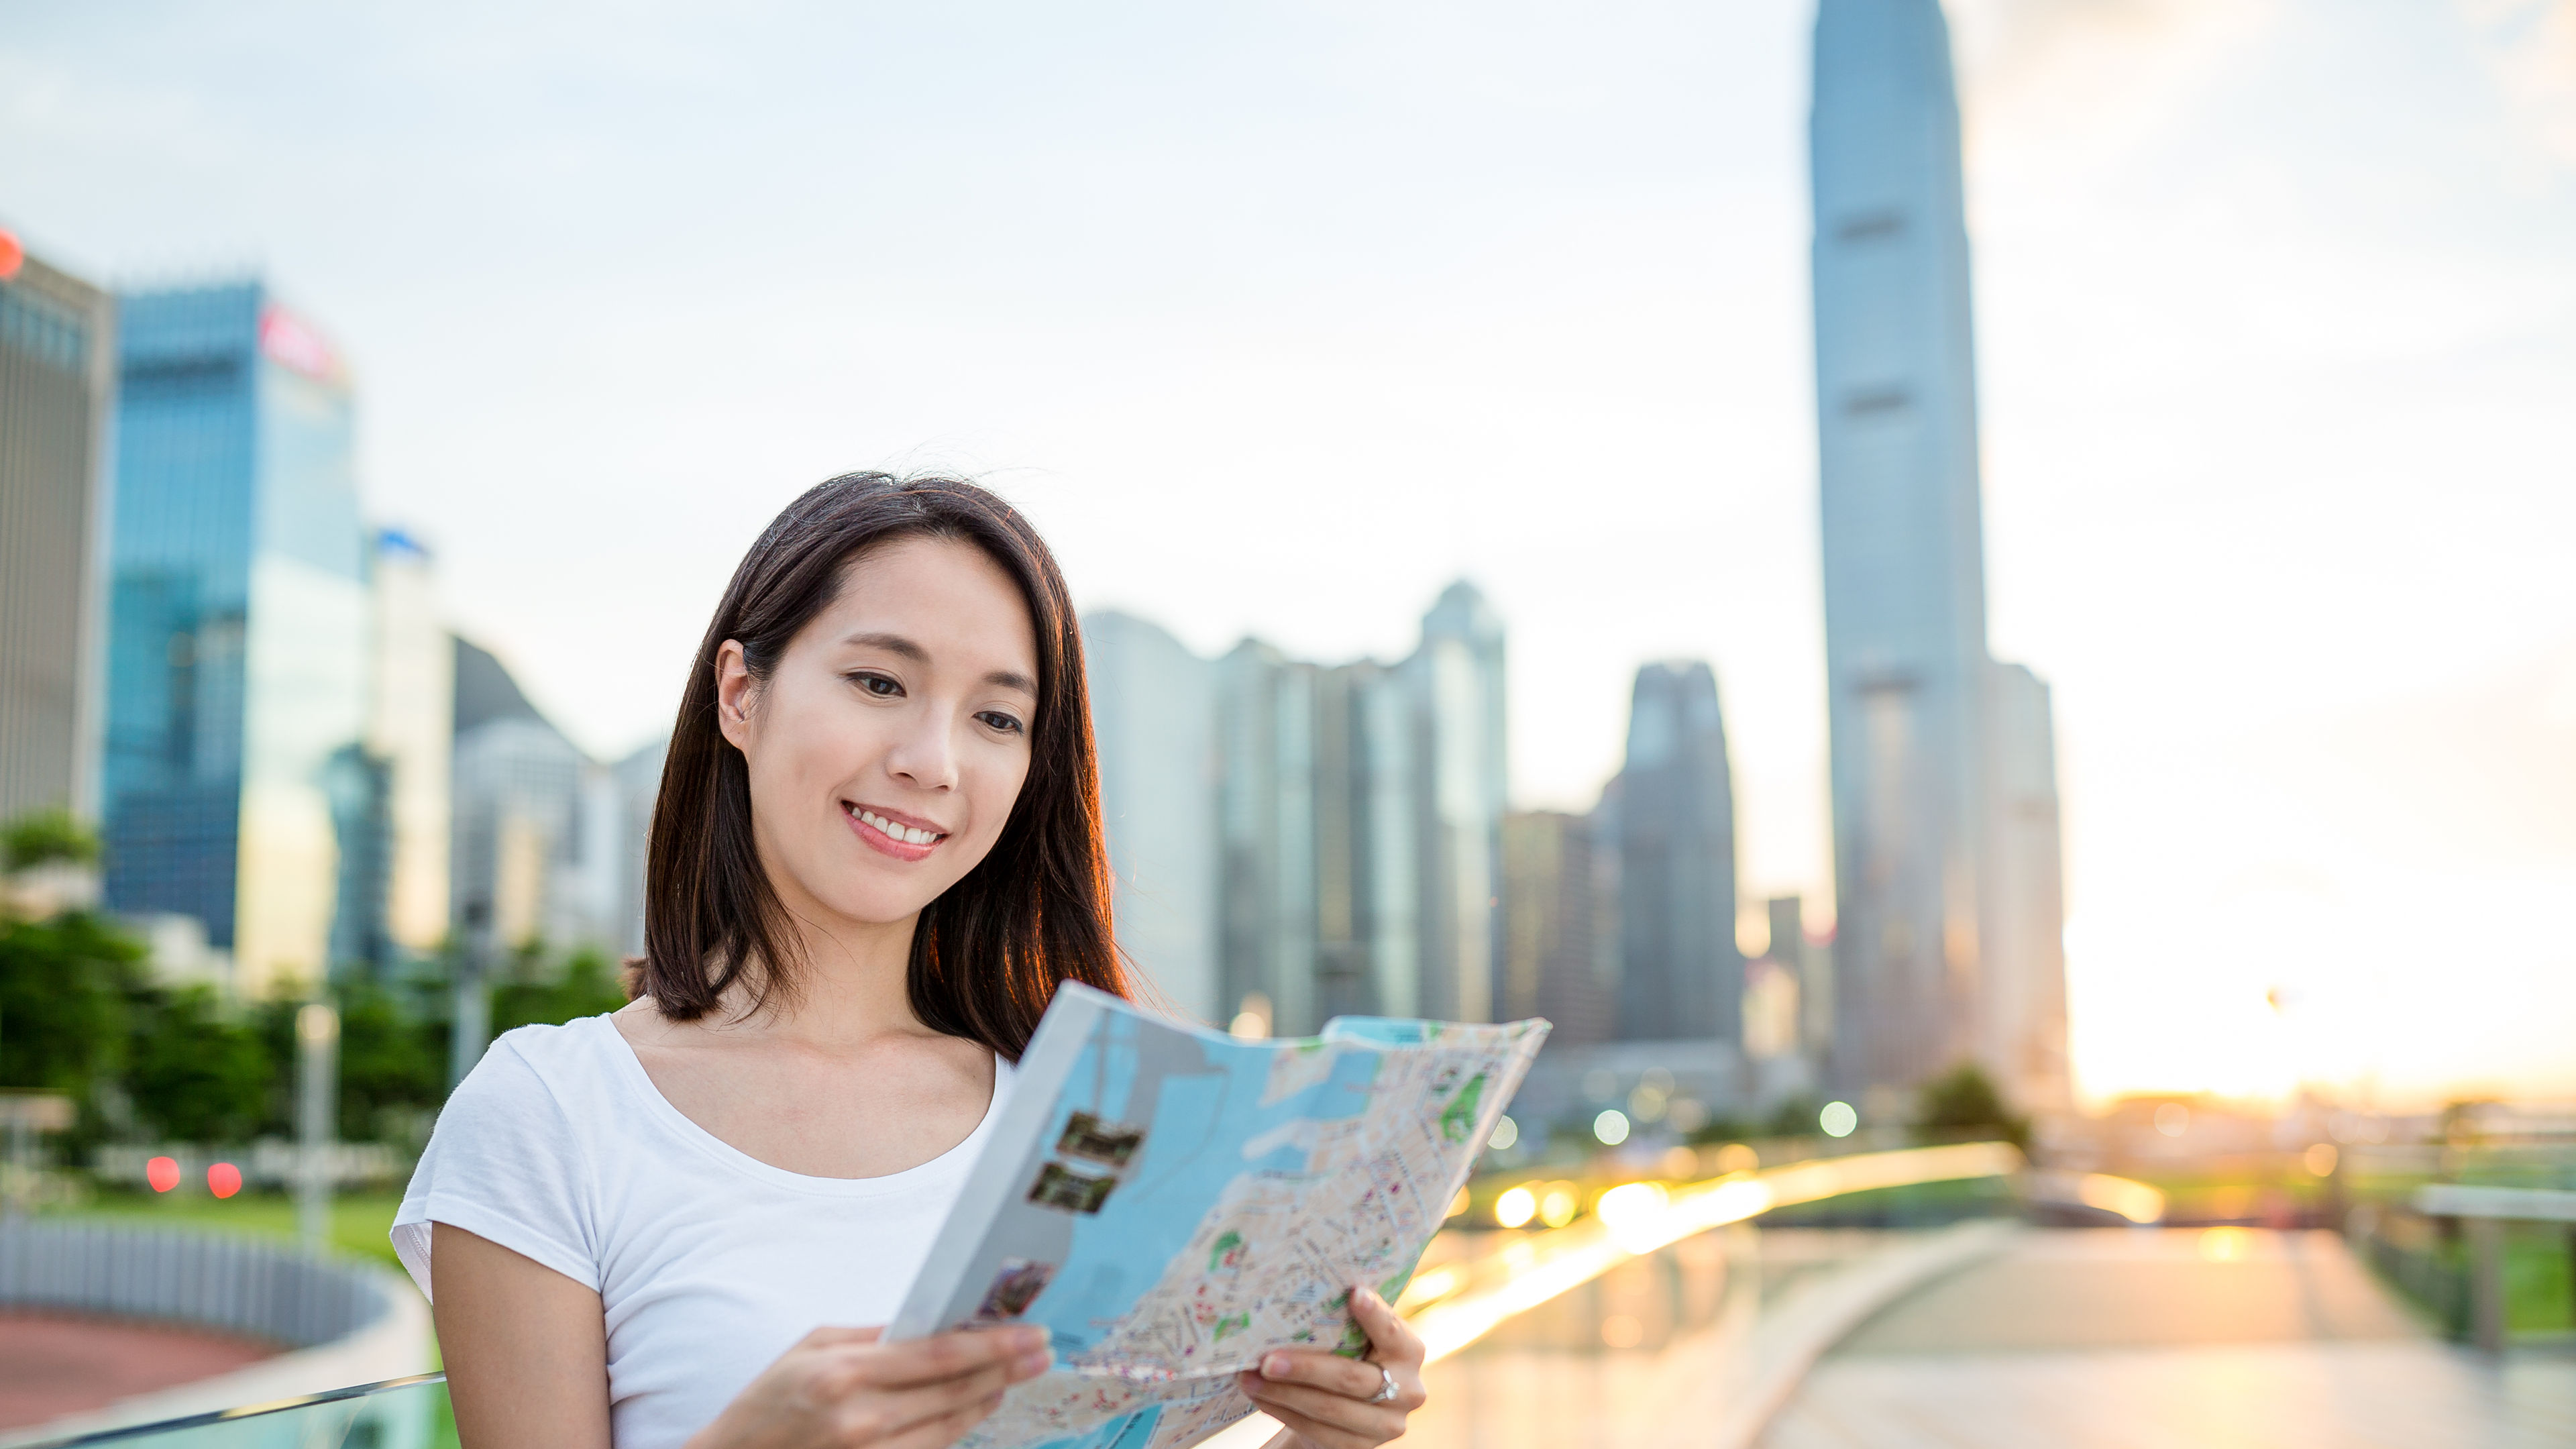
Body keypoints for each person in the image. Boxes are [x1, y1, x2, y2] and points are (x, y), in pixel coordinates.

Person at [392, 474, 1428, 1449]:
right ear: (741, 694)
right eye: (880, 681)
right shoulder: (550, 1114)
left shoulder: (1088, 1125)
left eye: (995, 717)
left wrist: (1310, 1434)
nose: (932, 762)